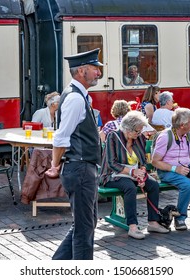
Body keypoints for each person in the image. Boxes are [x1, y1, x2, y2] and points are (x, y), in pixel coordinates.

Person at [45, 48, 103, 259]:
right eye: (95, 69)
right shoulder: (76, 98)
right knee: (84, 228)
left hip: (82, 167)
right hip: (79, 168)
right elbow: (61, 138)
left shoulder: (77, 95)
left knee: (87, 223)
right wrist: (55, 164)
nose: (98, 73)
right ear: (81, 71)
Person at [100, 110, 169, 239]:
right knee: (130, 188)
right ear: (128, 129)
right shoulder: (113, 137)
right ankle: (132, 226)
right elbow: (111, 163)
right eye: (137, 131)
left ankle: (153, 222)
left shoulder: (139, 138)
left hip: (133, 174)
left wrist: (142, 173)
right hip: (113, 175)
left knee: (153, 185)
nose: (140, 133)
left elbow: (142, 160)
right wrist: (132, 172)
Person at [152, 108, 190, 230]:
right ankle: (180, 218)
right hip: (168, 171)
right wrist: (176, 169)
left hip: (187, 168)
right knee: (187, 185)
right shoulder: (165, 137)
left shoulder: (189, 134)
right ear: (182, 125)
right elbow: (155, 161)